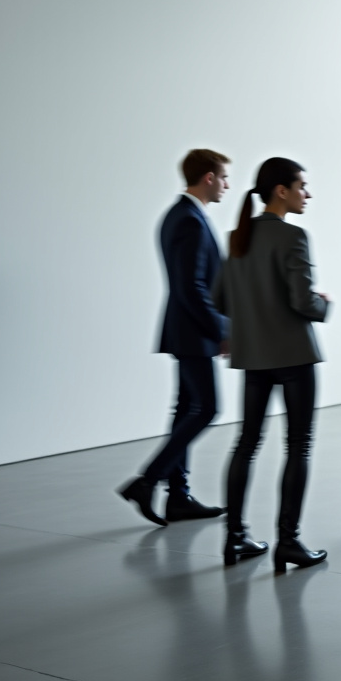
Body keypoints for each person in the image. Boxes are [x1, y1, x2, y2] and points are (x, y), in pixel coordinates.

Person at [215, 157, 331, 571]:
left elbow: (219, 300)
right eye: (302, 185)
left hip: (253, 358)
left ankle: (234, 538)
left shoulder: (236, 238)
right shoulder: (293, 237)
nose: (307, 193)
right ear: (281, 190)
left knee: (246, 444)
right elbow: (304, 302)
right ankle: (289, 542)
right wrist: (324, 305)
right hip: (295, 356)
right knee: (298, 446)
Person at [119, 149, 231, 526]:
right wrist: (221, 329)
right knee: (207, 409)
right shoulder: (189, 220)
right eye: (224, 177)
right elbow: (191, 286)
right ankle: (147, 481)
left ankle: (178, 497)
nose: (227, 185)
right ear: (209, 178)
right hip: (192, 332)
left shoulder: (181, 215)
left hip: (186, 330)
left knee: (187, 409)